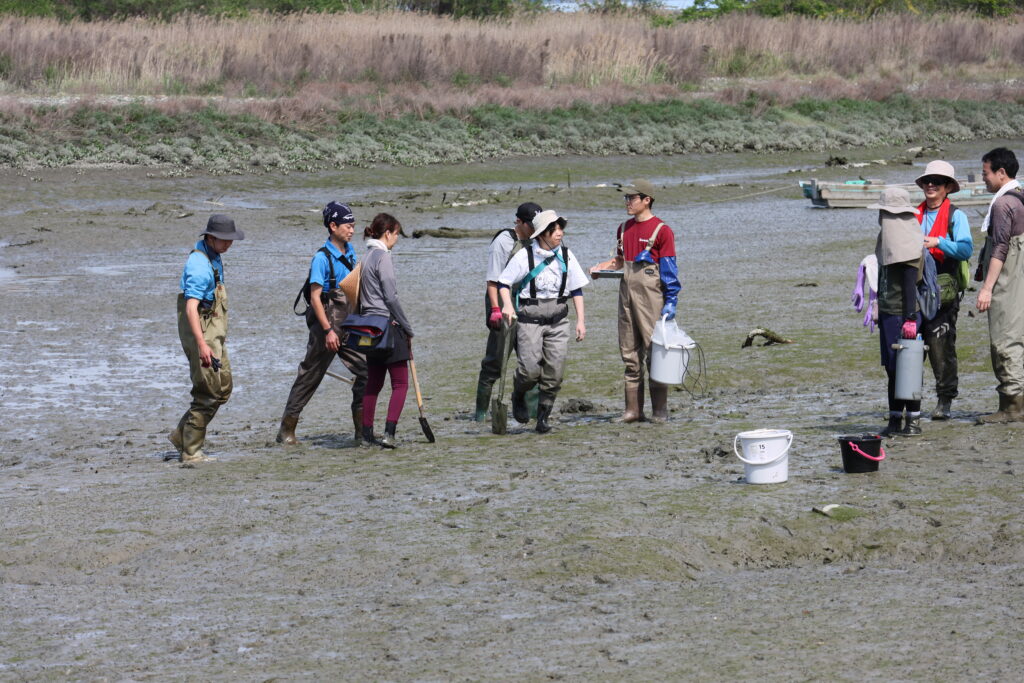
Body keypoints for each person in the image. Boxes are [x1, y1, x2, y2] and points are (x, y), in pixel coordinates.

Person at [277, 201, 368, 446]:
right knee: (310, 376)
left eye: (353, 225)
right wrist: (328, 331)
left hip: (348, 324)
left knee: (366, 372)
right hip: (325, 327)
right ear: (333, 226)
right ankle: (287, 430)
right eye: (348, 226)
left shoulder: (350, 252)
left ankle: (362, 432)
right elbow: (315, 297)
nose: (352, 230)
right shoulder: (321, 258)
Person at [590, 179, 680, 423]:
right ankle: (633, 411)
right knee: (629, 352)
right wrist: (601, 267)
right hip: (626, 295)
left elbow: (670, 270)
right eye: (626, 198)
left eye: (632, 198)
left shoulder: (662, 231)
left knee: (655, 352)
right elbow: (619, 261)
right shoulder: (623, 228)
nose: (627, 202)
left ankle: (659, 412)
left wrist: (671, 300)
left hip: (652, 297)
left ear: (646, 200)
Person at [498, 210, 589, 433]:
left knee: (554, 372)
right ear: (541, 233)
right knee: (529, 370)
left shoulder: (567, 255)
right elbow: (503, 283)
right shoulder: (524, 256)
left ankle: (543, 417)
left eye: (560, 228)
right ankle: (518, 393)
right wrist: (508, 306)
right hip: (529, 319)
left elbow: (576, 289)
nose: (560, 233)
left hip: (559, 320)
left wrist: (581, 321)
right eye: (554, 229)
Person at [168, 214, 245, 463]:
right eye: (224, 240)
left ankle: (182, 434)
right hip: (201, 331)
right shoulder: (199, 266)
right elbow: (191, 308)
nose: (229, 244)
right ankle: (191, 452)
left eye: (231, 240)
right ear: (210, 237)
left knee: (223, 388)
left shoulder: (214, 256)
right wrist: (202, 345)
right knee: (208, 391)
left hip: (214, 332)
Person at [913, 160, 973, 420]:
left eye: (936, 182)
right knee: (910, 345)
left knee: (940, 346)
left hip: (944, 290)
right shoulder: (912, 215)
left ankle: (944, 400)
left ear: (947, 187)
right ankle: (909, 400)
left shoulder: (956, 216)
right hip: (914, 289)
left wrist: (938, 241)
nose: (930, 185)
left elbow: (966, 250)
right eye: (927, 181)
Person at [474, 202, 542, 422]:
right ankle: (481, 413)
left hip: (526, 303)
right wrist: (495, 310)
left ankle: (530, 411)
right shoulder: (503, 242)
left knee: (530, 358)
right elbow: (492, 281)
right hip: (501, 302)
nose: (534, 229)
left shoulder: (538, 239)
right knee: (495, 360)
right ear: (519, 222)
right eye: (531, 225)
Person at [869, 188, 924, 437]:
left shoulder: (907, 240)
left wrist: (910, 319)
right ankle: (894, 420)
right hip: (889, 313)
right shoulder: (887, 238)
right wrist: (876, 304)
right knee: (891, 369)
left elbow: (911, 283)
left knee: (908, 369)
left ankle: (912, 421)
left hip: (905, 315)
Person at [974, 147, 1024, 423]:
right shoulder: (1021, 197)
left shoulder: (1004, 204)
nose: (984, 179)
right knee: (1018, 339)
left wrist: (986, 288)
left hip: (1008, 282)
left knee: (1005, 342)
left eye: (986, 173)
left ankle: (1012, 407)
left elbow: (1001, 248)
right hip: (1020, 282)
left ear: (1001, 173)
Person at [358, 213, 415, 448]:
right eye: (397, 233)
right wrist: (407, 327)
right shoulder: (383, 257)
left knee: (373, 383)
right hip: (386, 326)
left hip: (366, 328)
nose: (397, 239)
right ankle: (389, 433)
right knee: (400, 384)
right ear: (388, 232)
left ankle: (366, 434)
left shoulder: (365, 256)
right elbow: (391, 298)